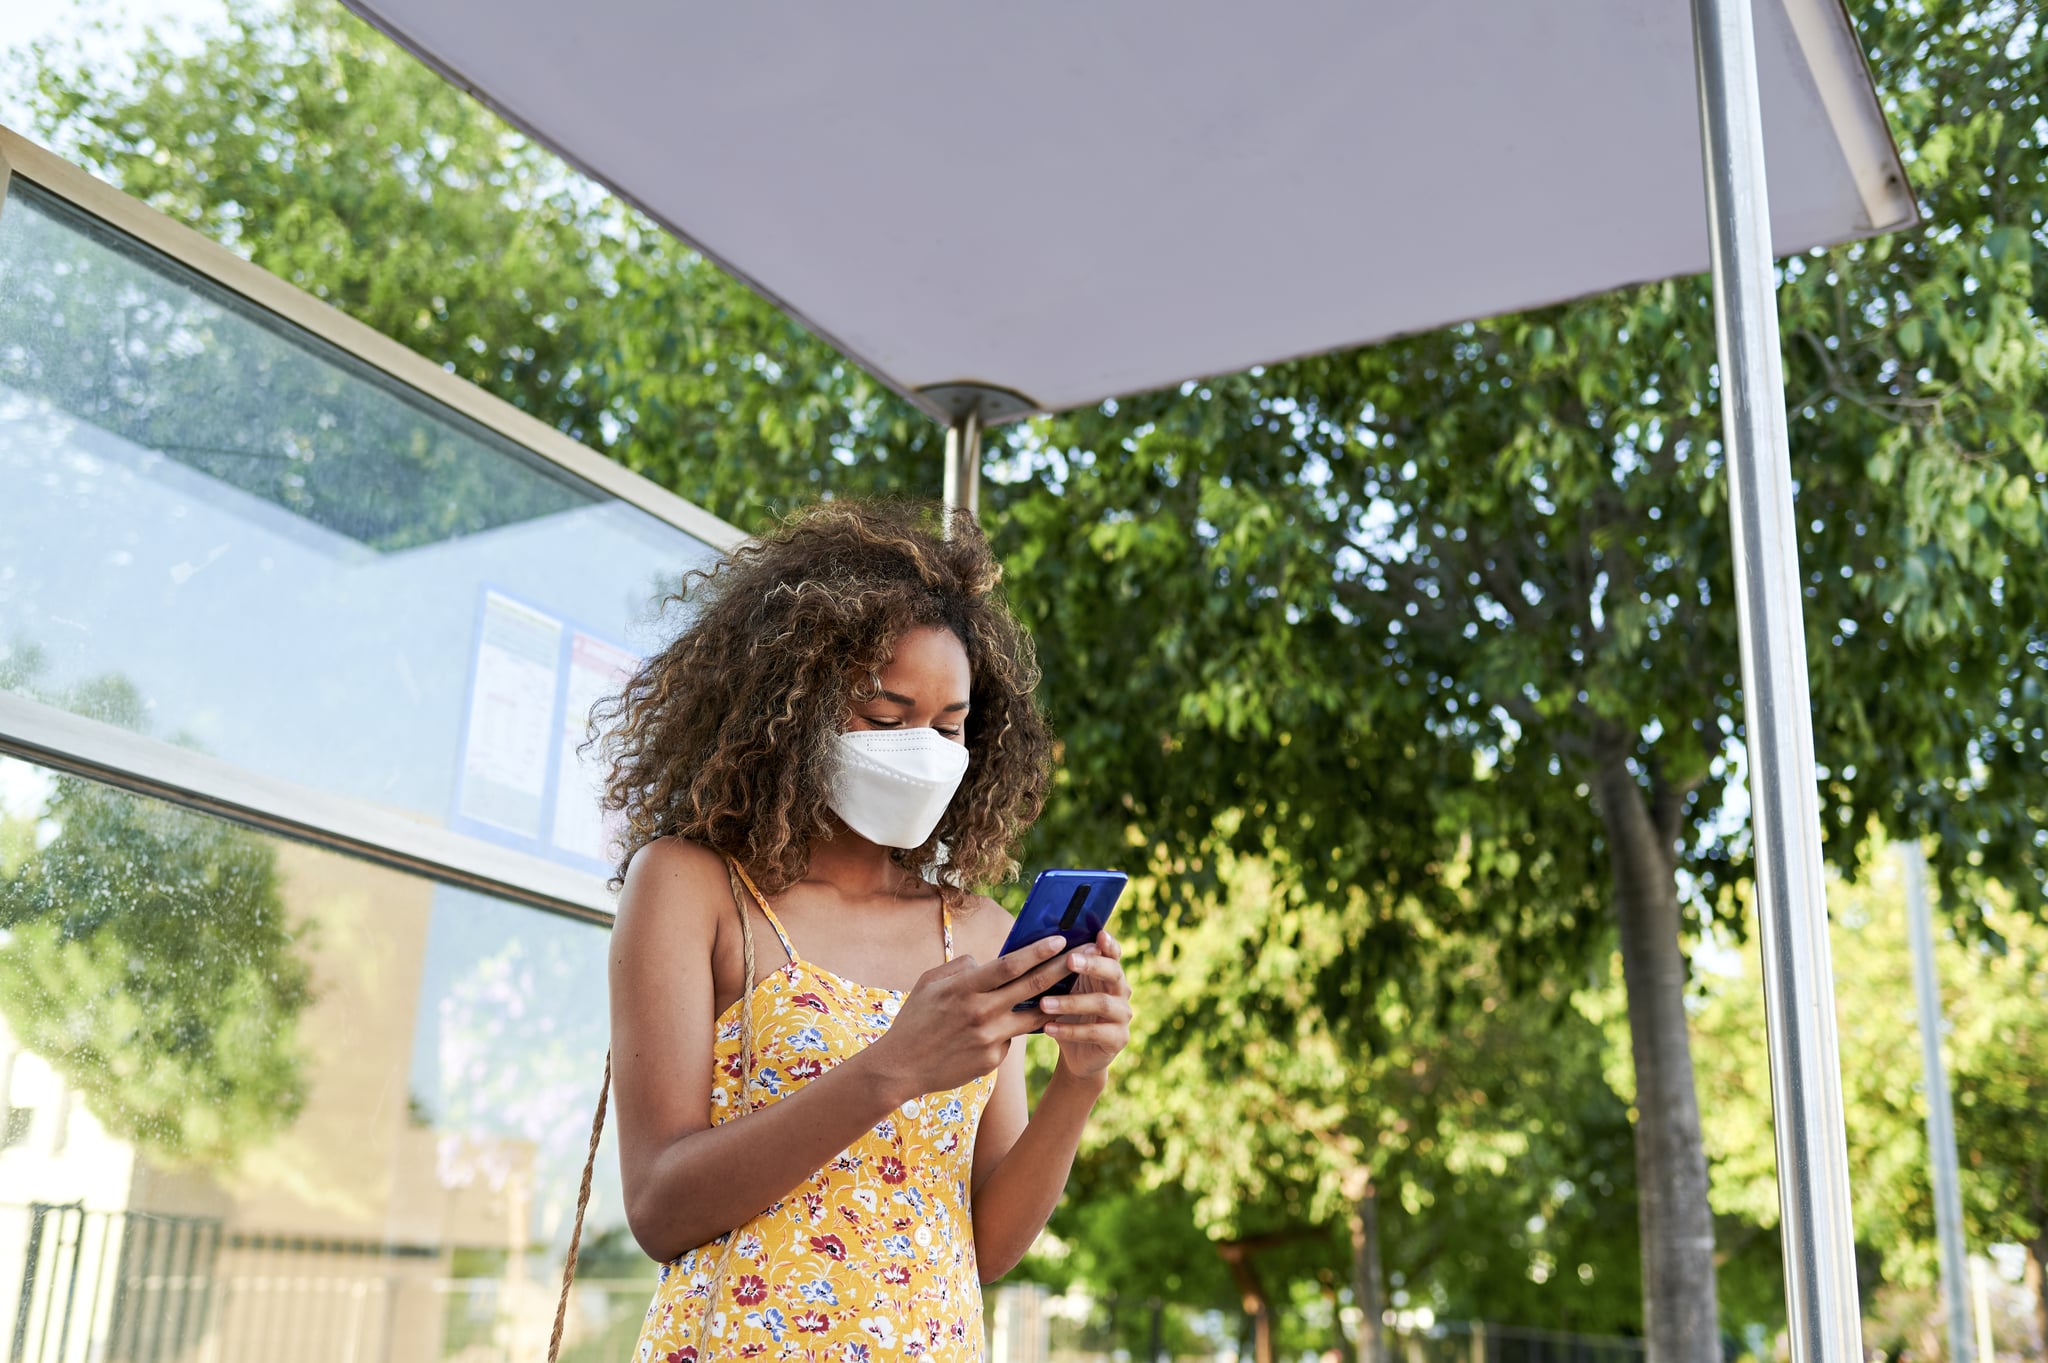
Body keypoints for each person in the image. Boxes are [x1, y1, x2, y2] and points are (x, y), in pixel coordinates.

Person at [597, 501, 1133, 1363]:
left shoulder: (981, 931)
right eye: (886, 718)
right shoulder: (693, 886)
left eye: (950, 726)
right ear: (794, 706)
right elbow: (660, 1206)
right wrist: (893, 1068)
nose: (923, 749)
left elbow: (986, 1244)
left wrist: (1082, 1081)